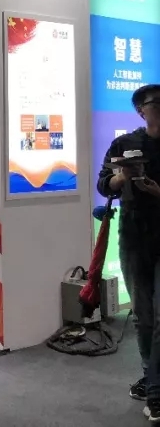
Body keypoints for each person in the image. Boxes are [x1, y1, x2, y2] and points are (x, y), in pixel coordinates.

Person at [97, 84, 160, 420]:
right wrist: (121, 178)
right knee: (143, 315)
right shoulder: (125, 144)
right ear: (141, 110)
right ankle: (152, 375)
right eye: (156, 103)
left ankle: (156, 391)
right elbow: (103, 184)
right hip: (135, 236)